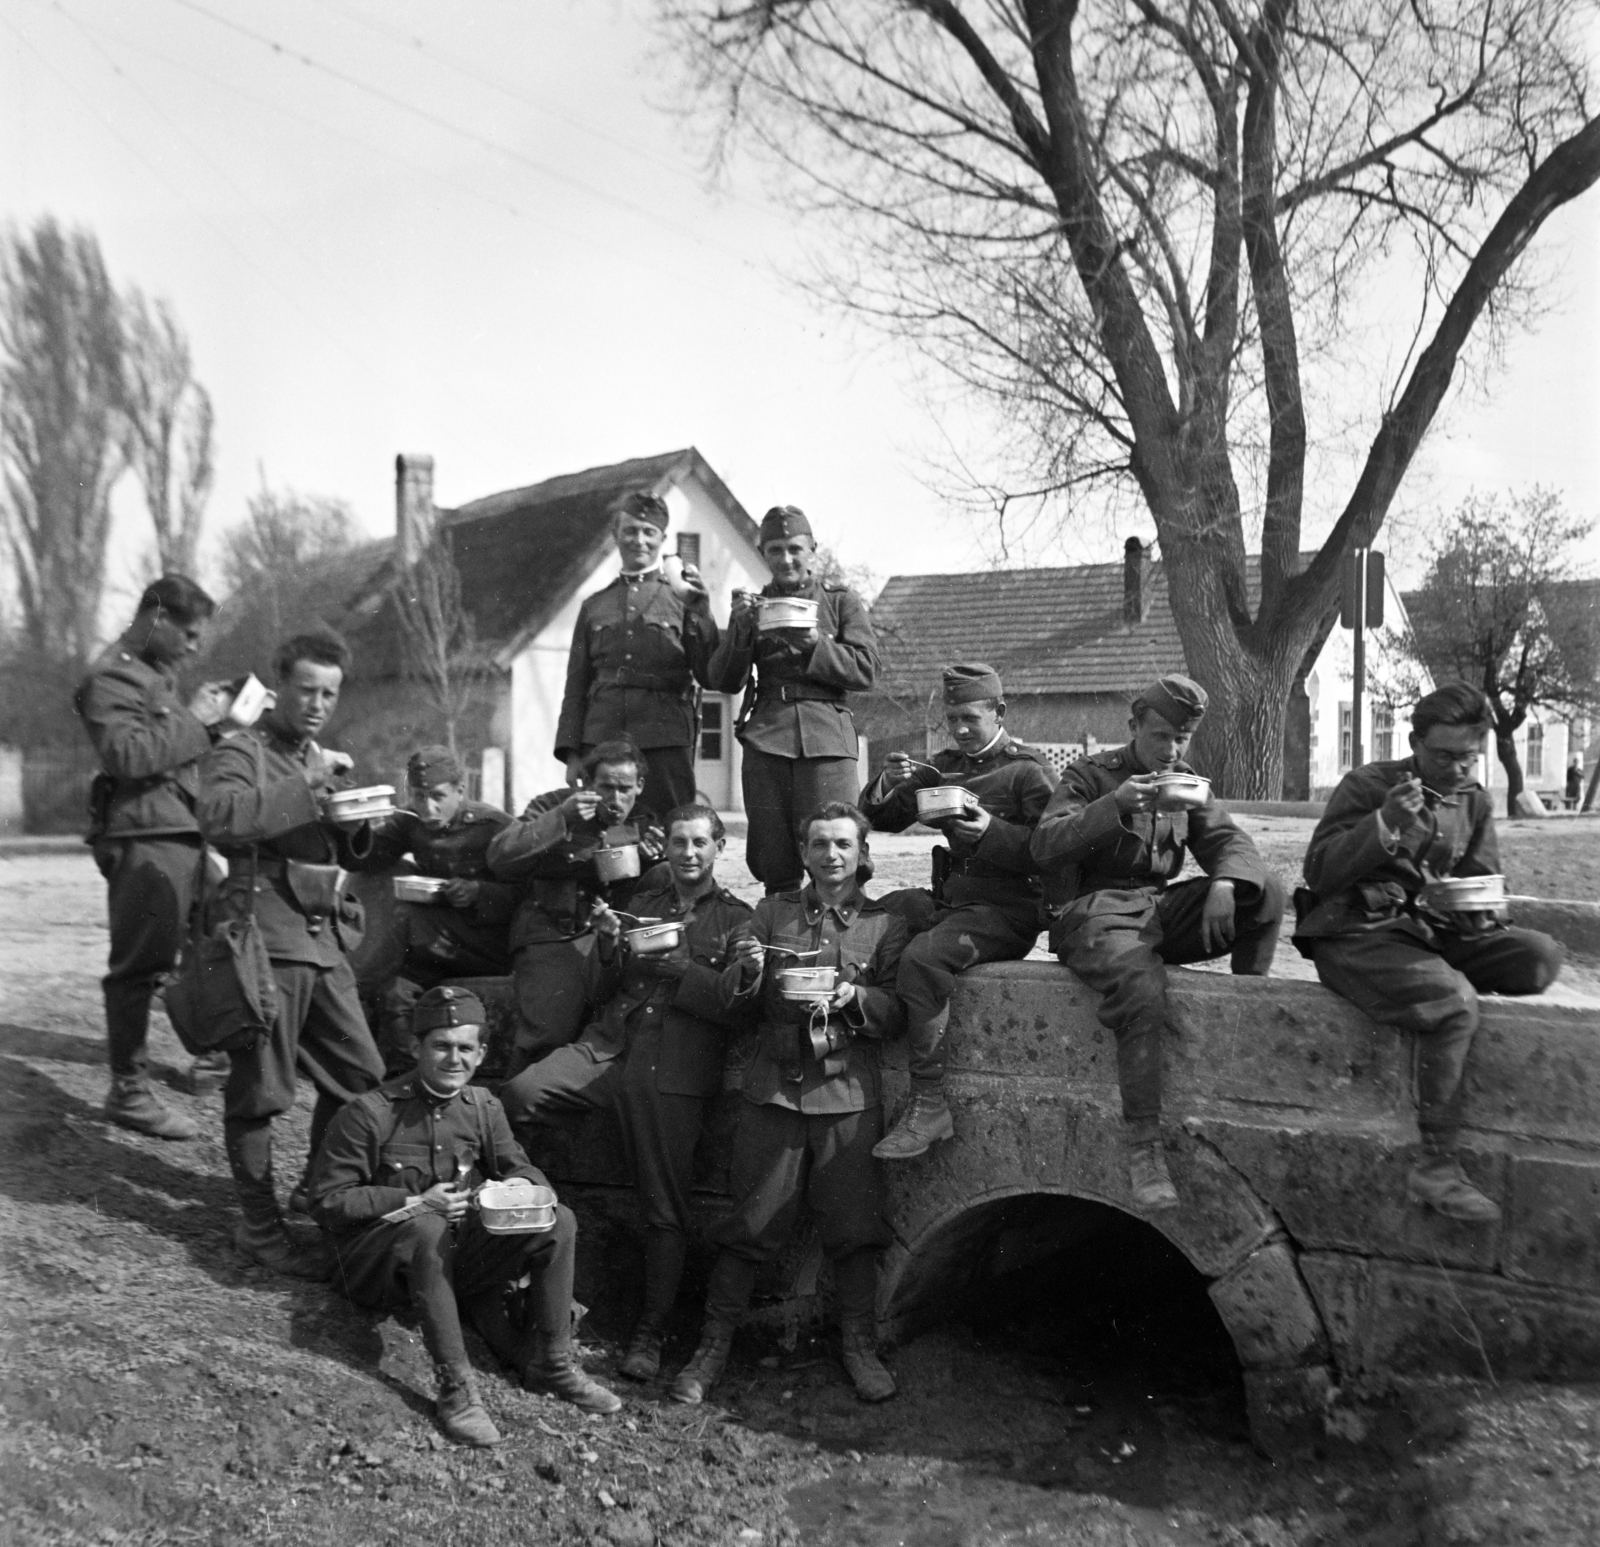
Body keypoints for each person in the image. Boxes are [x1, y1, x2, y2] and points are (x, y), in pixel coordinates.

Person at [501, 804, 755, 1381]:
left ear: (720, 847)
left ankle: (650, 1334)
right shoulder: (641, 904)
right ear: (664, 847)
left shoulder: (739, 920)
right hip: (607, 1049)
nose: (688, 854)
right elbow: (599, 989)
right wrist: (611, 944)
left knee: (664, 1206)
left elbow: (732, 1008)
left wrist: (679, 967)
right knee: (517, 1095)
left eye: (700, 843)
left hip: (676, 1067)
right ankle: (528, 1250)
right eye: (680, 843)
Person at [1294, 681, 1564, 1222]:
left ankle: (1430, 980)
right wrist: (1385, 824)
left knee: (1540, 957)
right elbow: (1319, 873)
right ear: (1415, 743)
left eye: (1469, 756)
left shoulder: (1474, 800)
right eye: (1444, 756)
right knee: (1455, 1002)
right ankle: (1436, 1164)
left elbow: (1484, 887)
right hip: (1358, 934)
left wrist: (1474, 904)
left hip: (1433, 932)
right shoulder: (1370, 785)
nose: (1458, 768)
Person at [310, 986, 621, 1446]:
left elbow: (521, 1165)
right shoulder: (371, 1113)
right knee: (427, 1225)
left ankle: (552, 1363)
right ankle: (456, 1390)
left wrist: (522, 1184)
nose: (453, 1059)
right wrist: (412, 1202)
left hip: (450, 1259)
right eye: (441, 1046)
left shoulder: (482, 1107)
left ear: (481, 1054)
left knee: (560, 1220)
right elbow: (328, 1201)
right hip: (375, 1264)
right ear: (416, 1048)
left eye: (465, 1048)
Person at [671, 803, 907, 1408]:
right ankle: (712, 1348)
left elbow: (897, 1012)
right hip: (774, 1090)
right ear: (803, 852)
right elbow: (740, 988)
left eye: (843, 845)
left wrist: (858, 996)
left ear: (861, 854)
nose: (831, 855)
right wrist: (748, 969)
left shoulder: (883, 925)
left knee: (854, 1230)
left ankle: (858, 1347)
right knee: (749, 1223)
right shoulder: (770, 913)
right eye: (819, 844)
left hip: (848, 1095)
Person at [1030, 675, 1284, 1213]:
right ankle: (1143, 1146)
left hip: (1155, 909)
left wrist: (1225, 882)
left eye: (1182, 740)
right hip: (1092, 914)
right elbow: (1045, 845)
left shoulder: (1185, 781)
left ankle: (1243, 1024)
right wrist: (1114, 805)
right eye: (1162, 736)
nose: (1171, 751)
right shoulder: (1091, 774)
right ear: (1134, 728)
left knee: (1264, 896)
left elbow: (1230, 842)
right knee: (1142, 985)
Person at [198, 628, 387, 1277]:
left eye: (329, 692)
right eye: (306, 689)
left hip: (321, 937)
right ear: (279, 688)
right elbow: (219, 818)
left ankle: (314, 1188)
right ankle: (258, 1225)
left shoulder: (324, 755)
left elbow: (337, 847)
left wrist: (353, 820)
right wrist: (305, 785)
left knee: (360, 1075)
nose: (316, 703)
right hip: (265, 939)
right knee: (261, 1091)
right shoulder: (240, 749)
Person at [860, 662, 1057, 1159]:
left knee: (924, 957)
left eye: (971, 717)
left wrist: (994, 833)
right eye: (953, 719)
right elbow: (882, 817)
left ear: (1000, 712)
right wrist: (886, 780)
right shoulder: (944, 766)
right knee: (876, 916)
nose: (962, 729)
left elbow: (1060, 849)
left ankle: (929, 1105)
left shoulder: (1028, 772)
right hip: (952, 901)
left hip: (1007, 911)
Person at [75, 575, 235, 1138]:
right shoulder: (112, 675)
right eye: (189, 634)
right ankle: (129, 1090)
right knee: (140, 966)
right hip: (144, 838)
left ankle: (212, 1051)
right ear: (157, 619)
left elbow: (171, 753)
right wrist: (197, 721)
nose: (195, 646)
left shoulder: (153, 677)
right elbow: (126, 755)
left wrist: (208, 726)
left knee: (214, 936)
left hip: (180, 832)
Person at [706, 505, 879, 893]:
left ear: (812, 549)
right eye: (775, 550)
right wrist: (740, 630)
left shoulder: (840, 602)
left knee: (838, 847)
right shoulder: (753, 607)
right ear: (763, 553)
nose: (785, 559)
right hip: (767, 738)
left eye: (794, 549)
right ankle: (781, 942)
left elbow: (867, 668)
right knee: (775, 856)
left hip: (827, 740)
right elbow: (724, 680)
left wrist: (817, 645)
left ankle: (845, 941)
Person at [487, 737, 665, 1074]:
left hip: (608, 939)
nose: (615, 799)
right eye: (605, 787)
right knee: (545, 1037)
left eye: (624, 788)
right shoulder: (552, 806)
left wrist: (650, 858)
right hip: (552, 934)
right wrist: (562, 819)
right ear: (587, 783)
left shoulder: (646, 820)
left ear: (640, 785)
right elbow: (501, 856)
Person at [350, 744, 517, 1070]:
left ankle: (350, 992)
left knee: (407, 917)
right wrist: (357, 826)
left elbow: (527, 894)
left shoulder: (493, 827)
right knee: (397, 992)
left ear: (460, 790)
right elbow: (368, 858)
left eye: (438, 796)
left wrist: (479, 892)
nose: (428, 807)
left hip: (487, 943)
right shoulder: (410, 820)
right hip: (435, 945)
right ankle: (404, 1077)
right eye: (418, 796)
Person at [554, 490, 719, 819]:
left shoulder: (682, 599)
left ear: (662, 538)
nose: (638, 540)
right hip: (601, 736)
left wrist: (702, 613)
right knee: (604, 834)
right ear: (616, 535)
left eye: (649, 532)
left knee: (670, 825)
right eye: (630, 531)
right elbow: (576, 685)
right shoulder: (594, 606)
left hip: (665, 737)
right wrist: (572, 753)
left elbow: (709, 672)